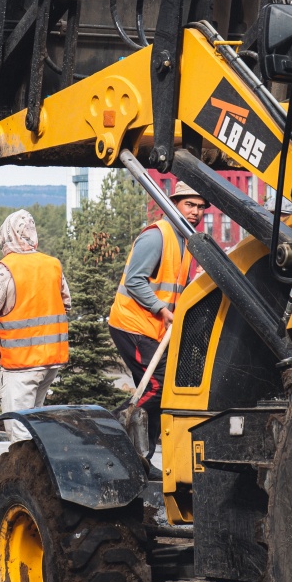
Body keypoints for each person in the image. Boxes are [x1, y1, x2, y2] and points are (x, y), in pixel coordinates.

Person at [108, 181, 208, 450]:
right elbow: (134, 280)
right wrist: (161, 309)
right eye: (189, 204)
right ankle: (114, 426)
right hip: (133, 325)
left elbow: (174, 290)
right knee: (158, 384)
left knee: (156, 398)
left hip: (155, 330)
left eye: (200, 207)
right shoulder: (157, 236)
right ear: (173, 204)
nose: (195, 212)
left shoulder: (185, 241)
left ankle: (141, 458)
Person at [0, 210, 72, 441]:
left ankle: (25, 475)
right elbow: (65, 306)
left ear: (5, 236)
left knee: (20, 430)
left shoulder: (2, 271)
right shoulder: (52, 265)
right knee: (36, 423)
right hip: (51, 361)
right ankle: (40, 471)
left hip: (21, 365)